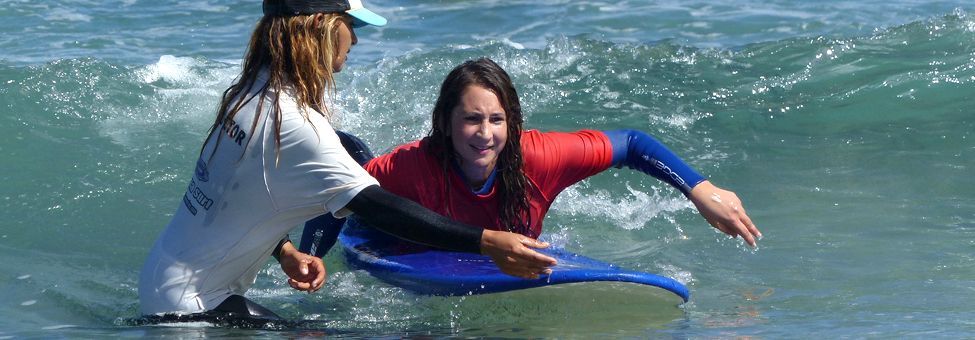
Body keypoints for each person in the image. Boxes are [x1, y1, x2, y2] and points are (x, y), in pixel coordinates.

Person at [138, 2, 556, 320]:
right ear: (321, 25)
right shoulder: (295, 126)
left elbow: (232, 193)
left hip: (167, 286)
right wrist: (487, 241)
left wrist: (283, 249)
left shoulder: (249, 92)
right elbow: (378, 208)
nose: (354, 40)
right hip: (192, 313)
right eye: (349, 26)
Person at [300, 57, 761, 261]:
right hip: (390, 238)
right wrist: (313, 257)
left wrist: (701, 189)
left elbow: (632, 144)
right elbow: (340, 195)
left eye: (497, 120)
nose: (485, 135)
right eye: (470, 120)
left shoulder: (539, 157)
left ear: (513, 124)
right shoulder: (410, 166)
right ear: (444, 122)